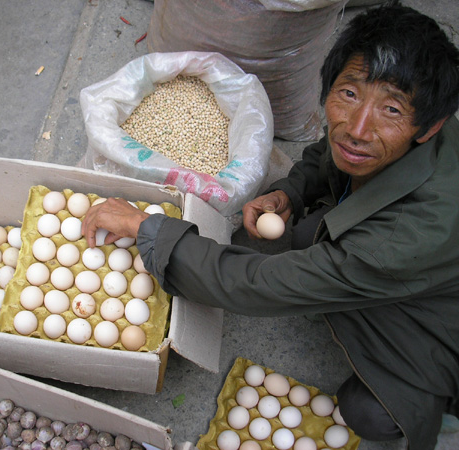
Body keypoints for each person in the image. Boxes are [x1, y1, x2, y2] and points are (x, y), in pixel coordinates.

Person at [82, 2, 459, 448]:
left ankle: (438, 402)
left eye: (392, 110)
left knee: (371, 414)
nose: (357, 127)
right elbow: (329, 153)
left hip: (441, 314)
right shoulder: (394, 141)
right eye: (350, 94)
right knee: (302, 231)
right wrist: (291, 192)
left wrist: (148, 228)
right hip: (408, 266)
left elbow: (261, 286)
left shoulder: (404, 236)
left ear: (430, 127)